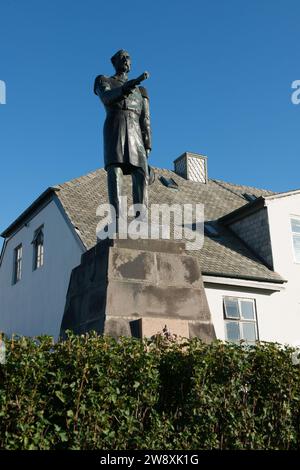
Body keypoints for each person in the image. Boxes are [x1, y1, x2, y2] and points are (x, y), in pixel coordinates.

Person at [94, 50, 152, 228]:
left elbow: (146, 119)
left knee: (141, 173)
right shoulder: (103, 80)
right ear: (114, 62)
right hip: (115, 126)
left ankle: (141, 221)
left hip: (135, 130)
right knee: (115, 171)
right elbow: (107, 98)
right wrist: (127, 87)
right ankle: (117, 220)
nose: (126, 60)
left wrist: (148, 143)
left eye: (128, 58)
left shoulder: (141, 90)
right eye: (122, 58)